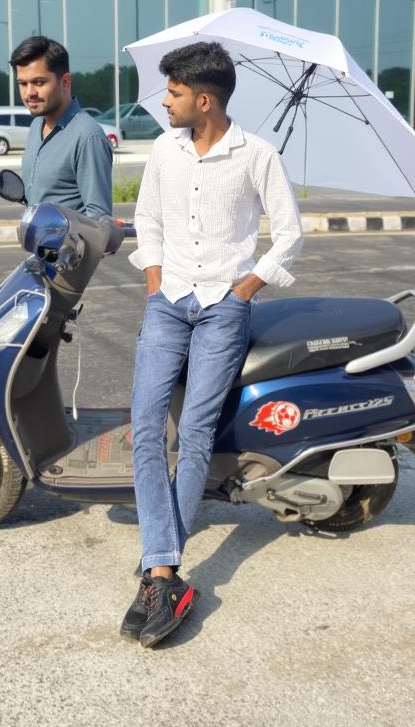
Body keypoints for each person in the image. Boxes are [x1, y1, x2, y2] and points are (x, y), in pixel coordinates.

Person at [122, 41, 303, 648]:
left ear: (204, 100)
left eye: (173, 93)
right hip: (168, 301)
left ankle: (160, 571)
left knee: (194, 432)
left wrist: (245, 289)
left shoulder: (257, 155)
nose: (165, 101)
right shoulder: (163, 152)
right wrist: (153, 280)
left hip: (224, 309)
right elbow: (146, 221)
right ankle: (164, 567)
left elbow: (290, 233)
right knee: (146, 426)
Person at [9, 36, 113, 220]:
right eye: (23, 84)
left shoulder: (87, 136)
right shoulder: (36, 126)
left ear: (65, 82)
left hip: (70, 249)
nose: (29, 93)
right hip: (38, 248)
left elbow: (99, 222)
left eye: (39, 82)